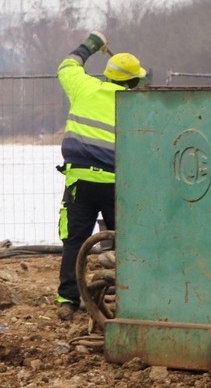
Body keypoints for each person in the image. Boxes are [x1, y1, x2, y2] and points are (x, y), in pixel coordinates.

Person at [55, 31, 146, 320]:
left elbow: (67, 66)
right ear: (135, 81)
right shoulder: (138, 105)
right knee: (129, 241)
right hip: (118, 186)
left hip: (80, 182)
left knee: (75, 241)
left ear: (107, 75)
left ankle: (67, 301)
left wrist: (92, 44)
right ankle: (134, 298)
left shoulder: (85, 88)